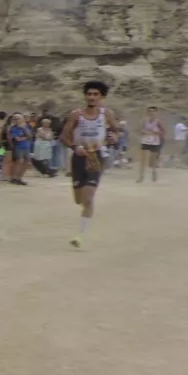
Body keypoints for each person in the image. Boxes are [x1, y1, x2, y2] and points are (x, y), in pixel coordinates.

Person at [60, 81, 119, 249]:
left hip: (96, 156)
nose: (91, 97)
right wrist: (74, 147)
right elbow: (64, 137)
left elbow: (115, 130)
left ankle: (80, 235)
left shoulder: (107, 114)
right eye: (89, 94)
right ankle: (85, 206)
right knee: (78, 200)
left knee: (88, 197)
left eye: (95, 94)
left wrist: (114, 137)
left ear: (102, 97)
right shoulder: (76, 115)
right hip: (79, 157)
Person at [137, 106, 165, 183]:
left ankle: (154, 171)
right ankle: (141, 176)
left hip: (154, 142)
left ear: (156, 112)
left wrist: (158, 132)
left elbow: (163, 131)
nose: (151, 112)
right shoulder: (144, 121)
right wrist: (144, 132)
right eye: (149, 111)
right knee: (143, 159)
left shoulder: (158, 121)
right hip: (145, 141)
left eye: (153, 111)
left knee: (153, 159)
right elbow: (139, 130)